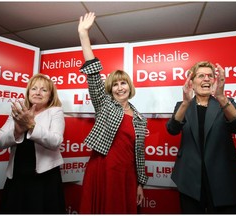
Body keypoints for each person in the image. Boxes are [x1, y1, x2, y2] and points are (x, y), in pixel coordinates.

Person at [78, 12, 148, 214]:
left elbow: (139, 156)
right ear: (110, 88)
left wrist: (140, 183)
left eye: (123, 83)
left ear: (129, 86)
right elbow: (93, 73)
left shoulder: (139, 118)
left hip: (127, 175)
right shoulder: (104, 103)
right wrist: (84, 35)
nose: (119, 88)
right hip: (103, 170)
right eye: (115, 84)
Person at [166, 61, 236, 214]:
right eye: (201, 76)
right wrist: (186, 102)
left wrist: (221, 97)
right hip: (190, 178)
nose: (206, 79)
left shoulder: (226, 103)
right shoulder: (182, 105)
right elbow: (172, 129)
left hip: (224, 177)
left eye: (210, 76)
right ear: (192, 83)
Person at [0, 73, 66, 214]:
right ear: (28, 92)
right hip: (17, 177)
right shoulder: (18, 112)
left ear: (50, 95)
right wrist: (16, 132)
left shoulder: (55, 112)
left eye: (44, 90)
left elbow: (55, 142)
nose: (38, 92)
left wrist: (31, 125)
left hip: (44, 179)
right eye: (34, 88)